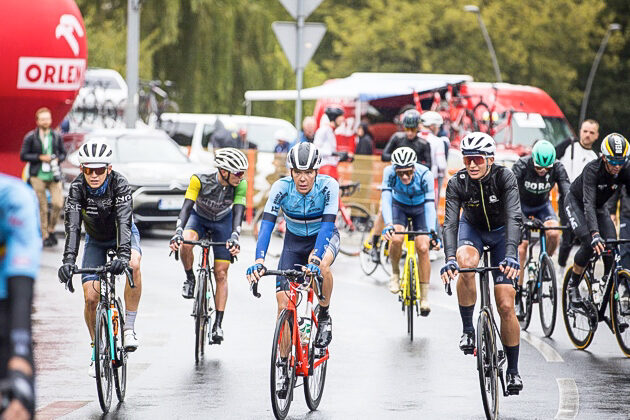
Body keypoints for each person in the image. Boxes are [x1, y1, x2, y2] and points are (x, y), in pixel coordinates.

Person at [440, 132, 523, 393]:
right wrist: (449, 258)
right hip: (472, 230)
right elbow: (450, 223)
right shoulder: (458, 182)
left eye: (476, 159)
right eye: (467, 160)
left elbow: (514, 218)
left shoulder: (504, 177)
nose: (472, 165)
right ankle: (467, 329)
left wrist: (511, 254)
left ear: (489, 159)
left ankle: (513, 370)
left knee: (506, 304)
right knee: (465, 263)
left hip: (501, 236)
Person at [57, 140, 143, 377]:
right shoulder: (77, 189)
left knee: (134, 263)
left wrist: (123, 256)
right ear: (82, 169)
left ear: (109, 169)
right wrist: (68, 261)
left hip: (121, 236)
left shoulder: (120, 185)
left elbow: (125, 223)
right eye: (88, 170)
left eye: (99, 170)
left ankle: (129, 328)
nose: (94, 175)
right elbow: (72, 228)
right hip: (95, 239)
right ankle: (97, 348)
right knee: (91, 298)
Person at [247, 143, 339, 351]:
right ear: (291, 172)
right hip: (293, 243)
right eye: (298, 172)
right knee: (283, 305)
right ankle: (284, 366)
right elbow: (267, 225)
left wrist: (315, 259)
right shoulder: (281, 188)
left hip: (323, 237)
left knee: (321, 266)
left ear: (316, 171)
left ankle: (324, 315)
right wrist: (259, 260)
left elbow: (327, 226)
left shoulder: (328, 186)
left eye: (308, 172)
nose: (303, 178)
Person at [169, 148, 248, 343]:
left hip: (223, 221)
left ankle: (218, 325)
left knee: (221, 273)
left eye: (242, 173)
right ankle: (190, 278)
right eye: (237, 173)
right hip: (199, 218)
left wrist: (235, 235)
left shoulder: (241, 185)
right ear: (223, 171)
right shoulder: (199, 179)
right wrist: (178, 231)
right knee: (186, 242)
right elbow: (187, 207)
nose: (241, 177)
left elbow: (238, 211)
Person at [564, 133, 630, 310]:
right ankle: (572, 285)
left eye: (621, 161)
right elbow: (588, 204)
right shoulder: (592, 170)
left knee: (611, 244)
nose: (617, 166)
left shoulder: (625, 168)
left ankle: (605, 283)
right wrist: (594, 233)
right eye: (613, 162)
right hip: (577, 203)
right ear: (603, 157)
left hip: (600, 207)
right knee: (589, 242)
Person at [511, 140, 570, 316]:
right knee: (521, 248)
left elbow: (567, 193)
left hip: (542, 207)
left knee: (554, 232)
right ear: (532, 159)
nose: (543, 170)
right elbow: (509, 195)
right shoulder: (521, 165)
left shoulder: (558, 167)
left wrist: (574, 218)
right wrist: (522, 219)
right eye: (538, 167)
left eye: (547, 168)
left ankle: (545, 264)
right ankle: (518, 294)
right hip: (521, 205)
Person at [0, 174, 41, 420]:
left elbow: (21, 288)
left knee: (18, 406)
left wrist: (20, 357)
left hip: (5, 305)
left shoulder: (14, 197)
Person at [368, 109, 433, 263]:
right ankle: (375, 244)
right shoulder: (397, 138)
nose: (409, 133)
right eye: (407, 129)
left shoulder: (424, 144)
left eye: (413, 129)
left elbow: (429, 165)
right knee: (384, 211)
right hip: (396, 182)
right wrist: (401, 159)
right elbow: (384, 155)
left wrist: (412, 164)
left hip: (413, 186)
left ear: (418, 127)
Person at [380, 147, 436, 314]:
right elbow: (386, 198)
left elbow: (430, 206)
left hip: (420, 208)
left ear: (414, 167)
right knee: (396, 238)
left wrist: (432, 231)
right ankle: (395, 273)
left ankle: (425, 297)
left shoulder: (425, 175)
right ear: (394, 170)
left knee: (423, 248)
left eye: (408, 172)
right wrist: (389, 224)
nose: (404, 176)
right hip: (400, 206)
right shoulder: (388, 172)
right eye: (400, 173)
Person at [555, 119, 599, 272]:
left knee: (587, 238)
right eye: (585, 131)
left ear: (596, 136)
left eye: (591, 132)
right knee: (567, 235)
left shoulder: (595, 157)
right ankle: (560, 269)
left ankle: (585, 272)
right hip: (567, 197)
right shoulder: (569, 145)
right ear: (580, 131)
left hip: (585, 200)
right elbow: (551, 157)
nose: (587, 135)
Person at [19, 107, 66, 247]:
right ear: (38, 121)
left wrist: (57, 159)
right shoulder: (31, 137)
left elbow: (63, 153)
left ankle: (51, 229)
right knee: (42, 206)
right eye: (43, 119)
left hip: (54, 174)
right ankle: (44, 234)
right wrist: (39, 157)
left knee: (58, 203)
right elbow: (23, 155)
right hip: (37, 174)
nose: (46, 122)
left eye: (48, 118)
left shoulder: (56, 136)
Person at [420, 111, 450, 199]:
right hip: (432, 178)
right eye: (438, 127)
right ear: (432, 126)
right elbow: (442, 165)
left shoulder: (416, 137)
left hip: (415, 179)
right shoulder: (438, 141)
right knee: (432, 207)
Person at [313, 105, 345, 179]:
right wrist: (333, 153)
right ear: (334, 118)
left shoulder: (331, 131)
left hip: (332, 168)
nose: (342, 119)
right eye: (340, 117)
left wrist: (341, 156)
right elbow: (316, 150)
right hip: (325, 168)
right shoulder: (323, 130)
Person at [608, 185, 630, 269]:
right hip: (627, 215)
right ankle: (625, 280)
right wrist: (612, 212)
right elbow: (615, 189)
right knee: (626, 248)